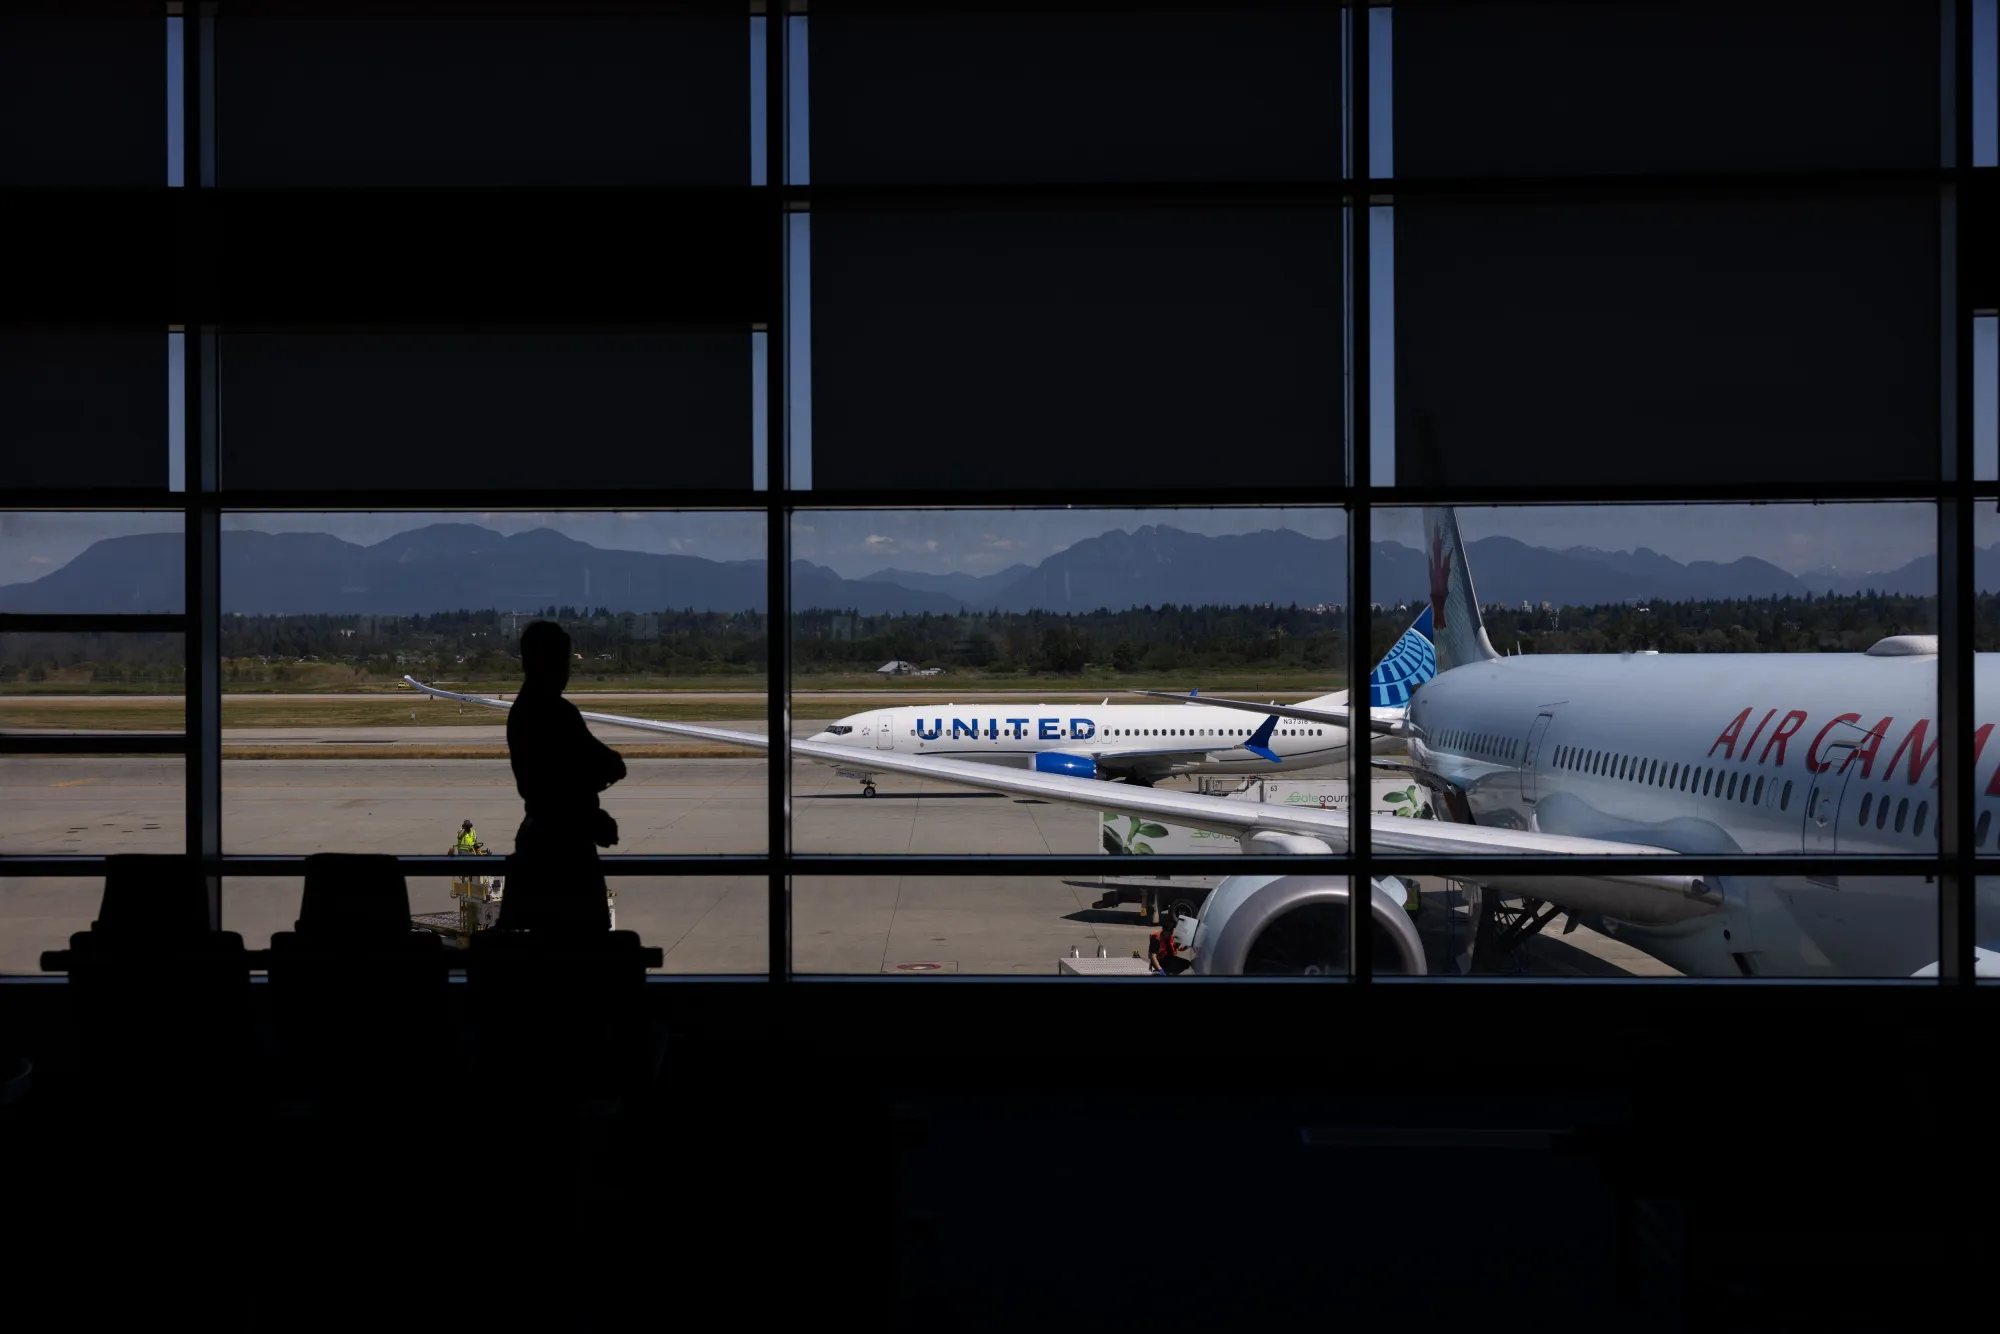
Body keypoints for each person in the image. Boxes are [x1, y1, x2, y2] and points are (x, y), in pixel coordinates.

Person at [497, 621, 627, 933]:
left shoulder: (521, 712)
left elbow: (548, 785)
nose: (565, 672)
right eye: (561, 661)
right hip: (567, 853)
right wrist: (589, 811)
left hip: (535, 843)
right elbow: (610, 766)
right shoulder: (557, 713)